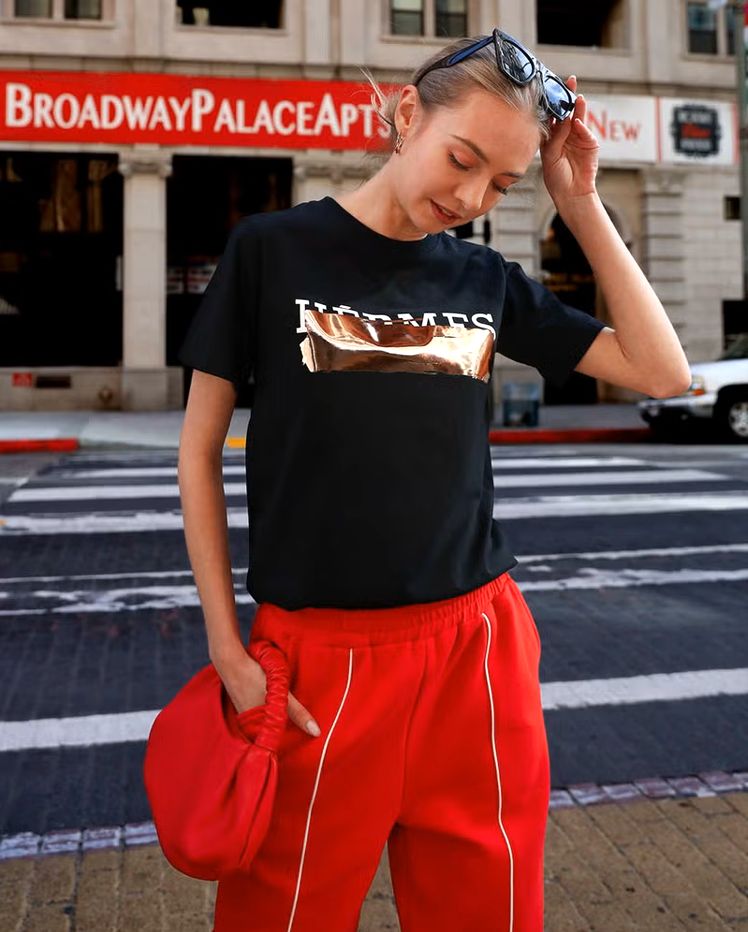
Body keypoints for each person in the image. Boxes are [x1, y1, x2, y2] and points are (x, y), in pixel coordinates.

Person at [176, 28, 691, 932]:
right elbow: (198, 451)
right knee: (281, 913)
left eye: (502, 184)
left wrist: (579, 205)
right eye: (462, 160)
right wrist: (227, 648)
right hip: (317, 663)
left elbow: (661, 372)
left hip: (477, 655)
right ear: (408, 114)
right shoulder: (271, 250)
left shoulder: (484, 278)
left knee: (488, 912)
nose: (470, 197)